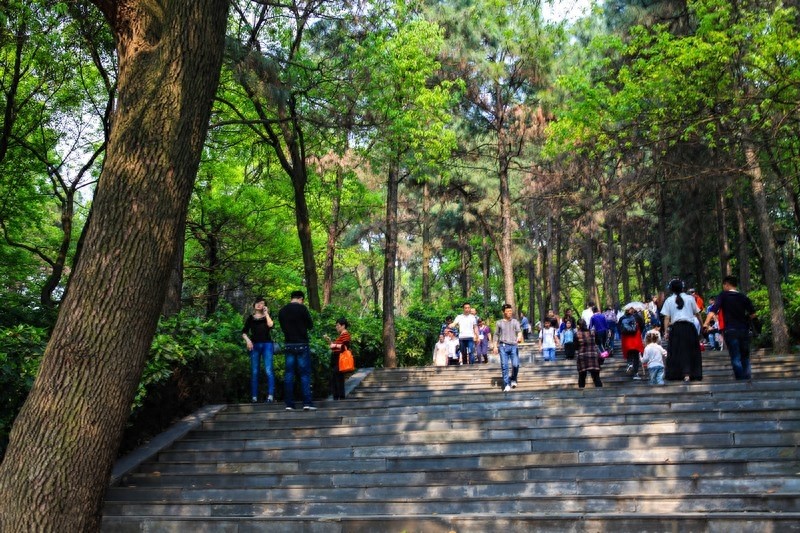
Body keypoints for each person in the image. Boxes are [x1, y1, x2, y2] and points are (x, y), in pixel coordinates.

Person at [703, 275, 757, 380]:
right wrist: (745, 319)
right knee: (745, 357)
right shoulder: (743, 297)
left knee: (735, 357)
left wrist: (706, 324)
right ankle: (748, 380)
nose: (723, 287)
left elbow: (713, 311)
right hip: (744, 329)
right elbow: (753, 314)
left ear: (727, 284)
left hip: (730, 329)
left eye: (723, 285)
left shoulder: (723, 296)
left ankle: (740, 380)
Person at [277, 290, 315, 410]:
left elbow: (283, 327)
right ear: (301, 299)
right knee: (304, 375)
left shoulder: (282, 311)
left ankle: (289, 404)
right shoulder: (302, 309)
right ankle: (307, 403)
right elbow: (310, 325)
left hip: (289, 344)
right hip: (302, 344)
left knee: (289, 374)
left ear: (291, 298)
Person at [661, 279, 703, 382]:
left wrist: (666, 331)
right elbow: (697, 313)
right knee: (690, 350)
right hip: (689, 328)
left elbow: (667, 317)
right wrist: (702, 326)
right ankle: (690, 373)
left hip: (676, 329)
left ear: (671, 289)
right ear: (682, 288)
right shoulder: (690, 298)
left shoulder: (669, 300)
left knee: (677, 351)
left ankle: (677, 373)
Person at [241, 297, 275, 403]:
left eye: (262, 303)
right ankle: (254, 397)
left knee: (269, 370)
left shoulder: (267, 317)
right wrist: (248, 341)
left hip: (267, 345)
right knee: (255, 371)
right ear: (254, 304)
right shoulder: (250, 318)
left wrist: (266, 314)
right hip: (254, 346)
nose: (259, 304)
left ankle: (270, 396)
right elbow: (244, 332)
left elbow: (271, 325)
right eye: (257, 303)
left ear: (265, 306)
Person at [493, 304, 523, 392]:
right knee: (504, 365)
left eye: (510, 311)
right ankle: (506, 384)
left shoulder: (515, 322)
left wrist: (519, 337)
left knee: (515, 364)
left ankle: (513, 379)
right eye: (507, 311)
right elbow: (496, 334)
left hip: (513, 346)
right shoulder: (499, 322)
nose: (510, 312)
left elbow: (519, 331)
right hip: (503, 346)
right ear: (503, 312)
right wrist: (495, 346)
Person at [326, 318, 351, 401]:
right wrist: (330, 342)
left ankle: (339, 397)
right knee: (336, 378)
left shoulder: (345, 334)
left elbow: (345, 347)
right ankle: (337, 396)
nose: (336, 327)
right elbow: (335, 347)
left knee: (338, 378)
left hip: (340, 358)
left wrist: (334, 345)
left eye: (338, 325)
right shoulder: (341, 335)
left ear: (343, 326)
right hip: (337, 358)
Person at [618, 306, 645, 380]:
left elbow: (619, 328)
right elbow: (642, 326)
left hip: (626, 339)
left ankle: (629, 364)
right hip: (636, 338)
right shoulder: (637, 317)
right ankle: (635, 374)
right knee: (636, 355)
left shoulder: (622, 318)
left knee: (628, 352)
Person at [575, 319, 602, 388]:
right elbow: (598, 342)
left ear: (578, 326)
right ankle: (600, 391)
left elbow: (575, 347)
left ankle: (581, 392)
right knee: (596, 377)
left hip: (582, 357)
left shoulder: (577, 334)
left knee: (582, 377)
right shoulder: (593, 332)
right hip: (593, 356)